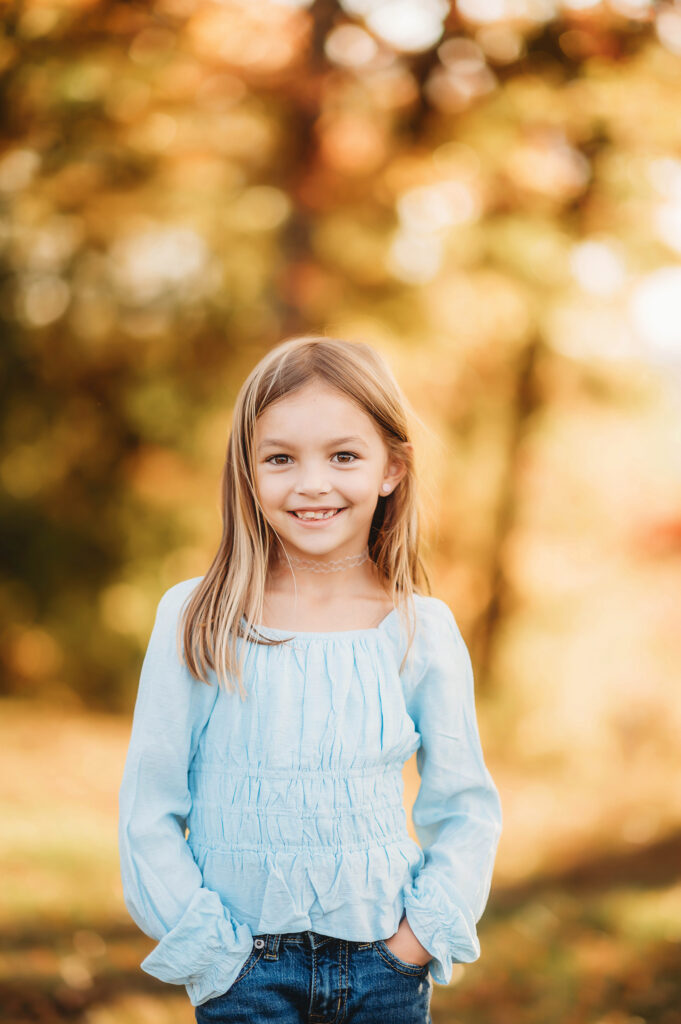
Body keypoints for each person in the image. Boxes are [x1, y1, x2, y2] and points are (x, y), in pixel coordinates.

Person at [118, 335, 502, 1024]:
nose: (312, 483)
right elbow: (149, 808)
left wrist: (415, 943)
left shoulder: (419, 630)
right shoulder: (199, 618)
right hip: (243, 972)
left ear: (391, 468)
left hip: (385, 970)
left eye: (344, 455)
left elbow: (464, 806)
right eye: (280, 459)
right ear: (248, 471)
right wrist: (215, 955)